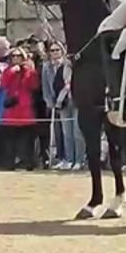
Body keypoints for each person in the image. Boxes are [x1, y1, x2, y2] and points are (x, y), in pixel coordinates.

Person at [42, 41, 85, 170]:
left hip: (75, 100)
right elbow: (47, 87)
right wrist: (51, 102)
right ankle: (68, 159)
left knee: (77, 132)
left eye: (57, 50)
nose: (55, 53)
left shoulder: (69, 64)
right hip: (61, 103)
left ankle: (79, 160)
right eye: (52, 50)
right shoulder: (47, 67)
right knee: (66, 133)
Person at [0, 48, 39, 170]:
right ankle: (9, 163)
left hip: (25, 108)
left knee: (26, 140)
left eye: (19, 56)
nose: (16, 59)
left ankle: (27, 162)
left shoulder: (30, 72)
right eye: (14, 56)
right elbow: (4, 85)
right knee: (10, 140)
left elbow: (34, 86)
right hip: (11, 108)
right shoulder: (7, 71)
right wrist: (11, 72)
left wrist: (28, 70)